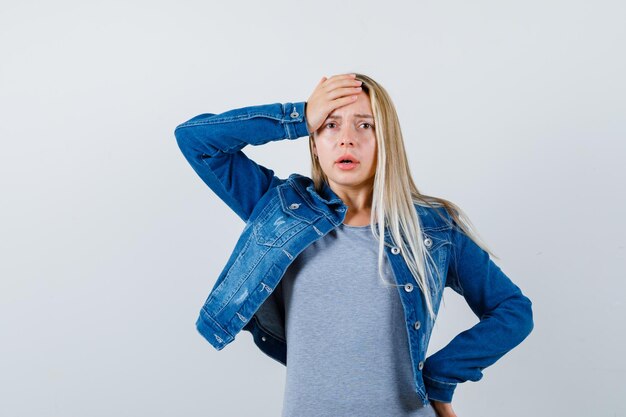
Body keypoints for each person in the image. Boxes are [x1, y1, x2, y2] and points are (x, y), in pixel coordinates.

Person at [174, 73, 534, 416]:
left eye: (365, 125)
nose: (347, 138)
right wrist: (299, 117)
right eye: (331, 125)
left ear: (385, 142)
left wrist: (441, 377)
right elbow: (195, 140)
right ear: (315, 144)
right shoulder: (278, 209)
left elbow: (512, 310)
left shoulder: (433, 228)